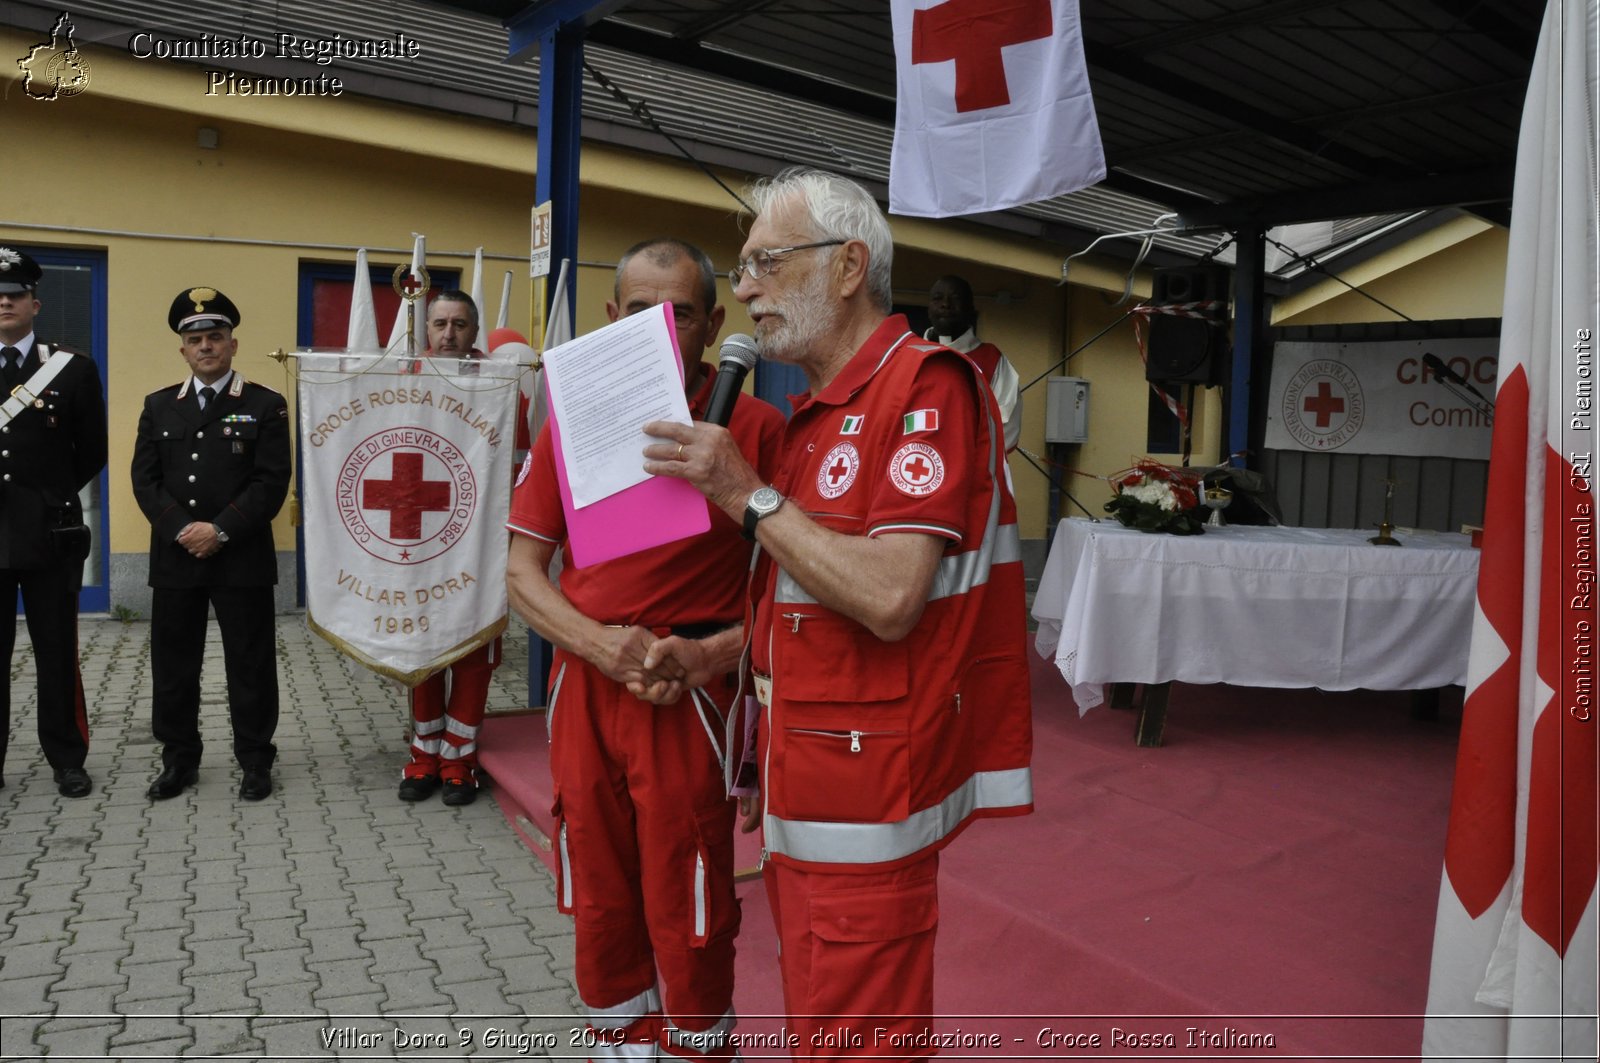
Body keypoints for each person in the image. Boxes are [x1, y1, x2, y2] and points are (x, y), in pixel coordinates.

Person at [640, 170, 1034, 1055]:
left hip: (868, 807)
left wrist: (744, 493)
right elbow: (814, 597)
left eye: (765, 263)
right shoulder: (821, 410)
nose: (744, 291)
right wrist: (718, 659)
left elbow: (892, 596)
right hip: (806, 792)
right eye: (744, 270)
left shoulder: (925, 388)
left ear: (850, 265)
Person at [506, 239, 785, 1060]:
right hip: (590, 678)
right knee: (596, 876)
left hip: (693, 689)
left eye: (681, 312)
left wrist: (714, 656)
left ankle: (697, 1043)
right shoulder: (576, 420)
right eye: (636, 310)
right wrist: (600, 644)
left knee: (689, 885)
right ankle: (619, 1041)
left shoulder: (760, 427)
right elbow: (522, 569)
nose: (656, 327)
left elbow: (792, 592)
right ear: (608, 317)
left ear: (715, 325)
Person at [132, 287, 291, 801]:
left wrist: (219, 529)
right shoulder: (158, 407)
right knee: (174, 667)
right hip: (177, 557)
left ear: (233, 344)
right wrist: (183, 528)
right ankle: (179, 760)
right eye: (195, 339)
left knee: (250, 663)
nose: (206, 346)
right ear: (183, 349)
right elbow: (145, 480)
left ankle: (255, 759)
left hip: (240, 556)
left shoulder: (266, 404)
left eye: (215, 337)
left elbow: (271, 481)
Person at [0, 247, 107, 797]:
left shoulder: (71, 368)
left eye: (14, 294)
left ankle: (67, 757)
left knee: (57, 652)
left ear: (34, 303)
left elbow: (91, 449)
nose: (4, 302)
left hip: (48, 534)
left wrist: (51, 497)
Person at [396, 290, 503, 807]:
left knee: (473, 650)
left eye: (459, 324)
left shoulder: (501, 389)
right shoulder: (402, 387)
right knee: (423, 649)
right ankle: (423, 752)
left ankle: (459, 754)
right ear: (426, 331)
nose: (448, 334)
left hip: (479, 545)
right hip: (417, 539)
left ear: (474, 332)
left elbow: (519, 464)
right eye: (439, 323)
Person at [925, 274, 1022, 453]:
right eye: (938, 298)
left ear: (970, 308)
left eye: (955, 298)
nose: (945, 304)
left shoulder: (992, 360)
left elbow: (1005, 427)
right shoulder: (910, 356)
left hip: (971, 471)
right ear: (928, 308)